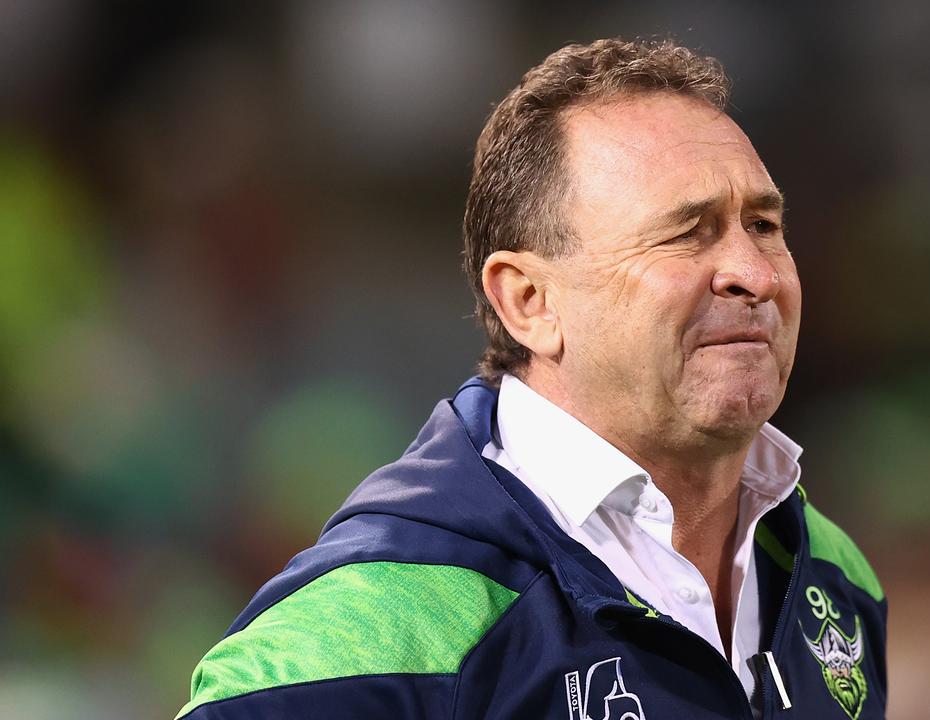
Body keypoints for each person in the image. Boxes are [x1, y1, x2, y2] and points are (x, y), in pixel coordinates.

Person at [177, 38, 887, 720]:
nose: (756, 274)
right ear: (529, 302)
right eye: (686, 233)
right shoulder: (375, 626)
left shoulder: (834, 577)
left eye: (764, 226)